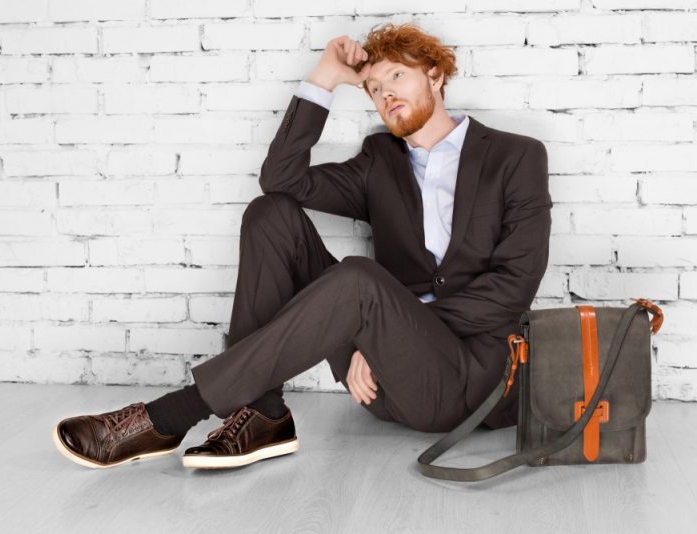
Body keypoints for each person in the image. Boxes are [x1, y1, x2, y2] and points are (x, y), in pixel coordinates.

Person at [52, 22, 552, 470]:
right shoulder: (381, 161)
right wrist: (326, 76)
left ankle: (170, 414)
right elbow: (281, 179)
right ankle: (262, 414)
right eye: (374, 89)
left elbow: (513, 289)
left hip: (461, 383)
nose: (385, 95)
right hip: (377, 385)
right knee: (270, 214)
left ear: (436, 74)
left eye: (397, 77)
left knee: (359, 278)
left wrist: (384, 339)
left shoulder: (515, 157)